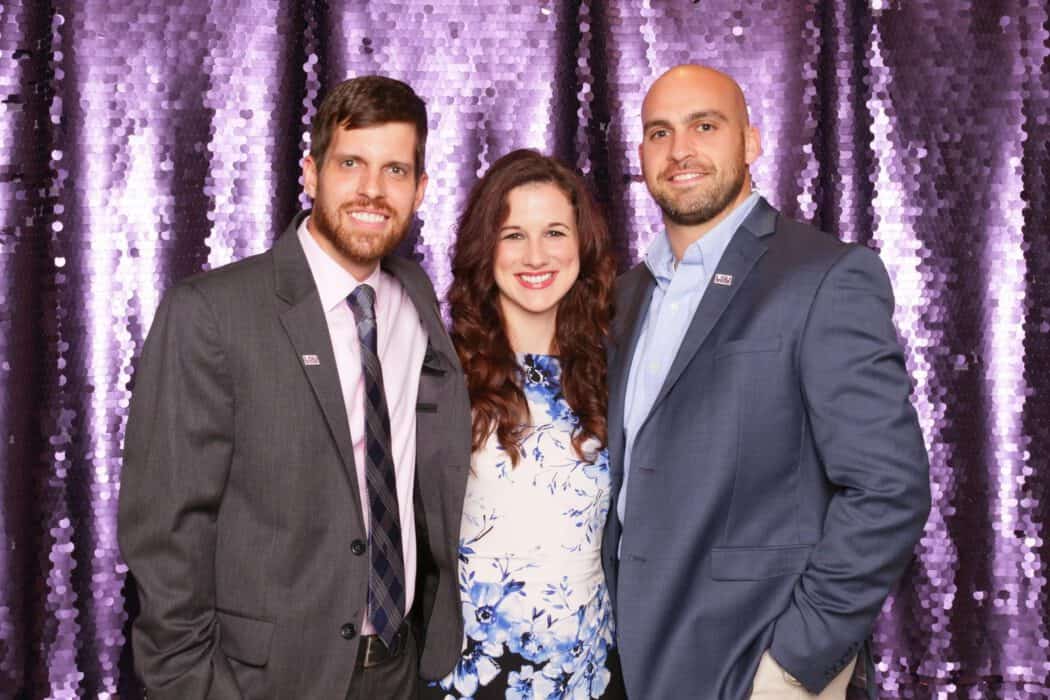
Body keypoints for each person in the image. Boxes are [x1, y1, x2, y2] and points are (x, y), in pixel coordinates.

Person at [118, 75, 471, 699]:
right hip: (266, 680)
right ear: (310, 173)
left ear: (420, 190)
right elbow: (165, 535)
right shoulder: (211, 313)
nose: (371, 189)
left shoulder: (416, 301)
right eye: (350, 164)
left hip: (400, 670)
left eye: (395, 170)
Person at [603, 64, 931, 699]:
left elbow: (889, 488)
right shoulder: (625, 297)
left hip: (757, 665)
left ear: (751, 142)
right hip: (636, 666)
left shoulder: (825, 276)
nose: (680, 151)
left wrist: (795, 663)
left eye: (705, 126)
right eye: (659, 132)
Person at [419, 150, 625, 700]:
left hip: (590, 672)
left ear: (583, 243)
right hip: (469, 677)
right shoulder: (437, 373)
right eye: (513, 235)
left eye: (554, 231)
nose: (536, 255)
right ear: (486, 249)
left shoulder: (615, 374)